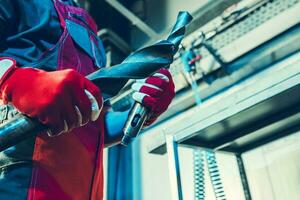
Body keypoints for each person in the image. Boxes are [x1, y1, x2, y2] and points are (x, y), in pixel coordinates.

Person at [0, 0, 175, 199]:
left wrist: (141, 110)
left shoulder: (90, 31)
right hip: (16, 184)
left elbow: (95, 123)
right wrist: (14, 81)